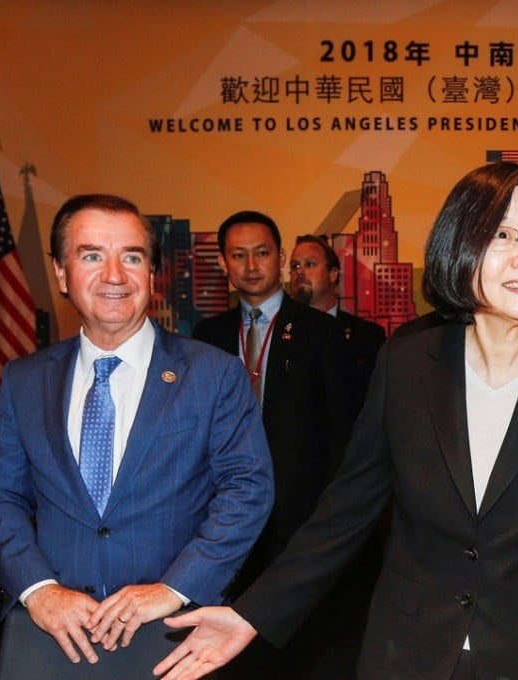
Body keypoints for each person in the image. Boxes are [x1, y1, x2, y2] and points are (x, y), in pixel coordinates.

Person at [154, 163, 518, 680]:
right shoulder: (409, 360)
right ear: (460, 247)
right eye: (501, 235)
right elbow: (345, 511)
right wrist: (252, 612)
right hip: (409, 652)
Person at [0, 194, 274, 665]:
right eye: (92, 255)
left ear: (151, 275)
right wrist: (38, 589)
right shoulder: (24, 380)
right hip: (49, 636)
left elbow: (248, 489)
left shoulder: (213, 375)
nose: (114, 275)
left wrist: (174, 588)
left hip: (172, 638)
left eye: (131, 257)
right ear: (60, 272)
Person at [191, 211, 357, 677]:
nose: (251, 265)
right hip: (224, 518)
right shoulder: (207, 338)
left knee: (299, 652)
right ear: (224, 263)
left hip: (299, 519)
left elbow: (342, 434)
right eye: (238, 255)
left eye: (261, 253)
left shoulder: (322, 332)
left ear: (280, 258)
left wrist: (327, 519)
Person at [290, 233, 386, 405]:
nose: (300, 272)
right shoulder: (280, 332)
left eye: (310, 264)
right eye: (294, 266)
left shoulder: (369, 336)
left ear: (333, 274)